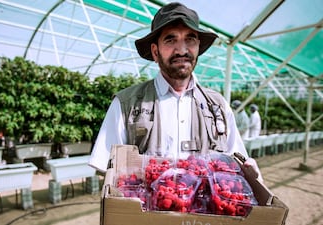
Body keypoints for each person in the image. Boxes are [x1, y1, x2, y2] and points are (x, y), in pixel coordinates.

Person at [88, 2, 262, 181]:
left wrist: (248, 175)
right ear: (155, 52)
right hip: (146, 209)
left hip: (204, 209)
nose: (182, 50)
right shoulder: (127, 104)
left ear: (198, 48)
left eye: (190, 39)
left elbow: (235, 167)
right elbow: (108, 171)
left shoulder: (218, 106)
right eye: (171, 39)